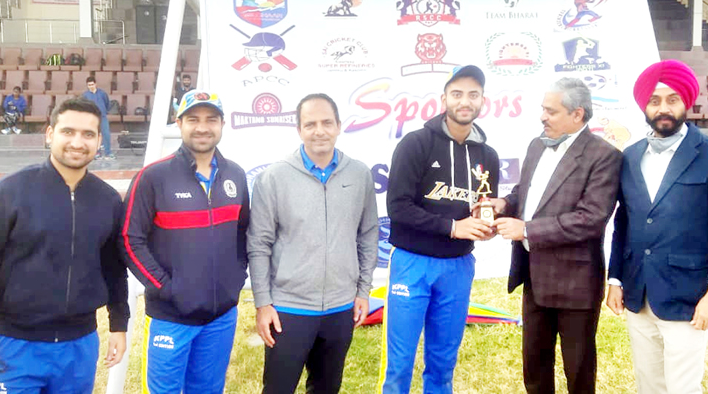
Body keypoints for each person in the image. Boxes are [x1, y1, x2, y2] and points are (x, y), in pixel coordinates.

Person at [0, 97, 129, 392]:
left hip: (79, 346)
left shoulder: (108, 200)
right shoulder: (10, 190)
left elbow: (114, 268)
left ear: (99, 140)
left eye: (88, 134)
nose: (77, 142)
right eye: (68, 131)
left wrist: (118, 325)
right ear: (50, 134)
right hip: (14, 344)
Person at [607, 59, 708, 394]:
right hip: (638, 293)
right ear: (644, 106)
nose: (663, 108)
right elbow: (624, 221)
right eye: (654, 100)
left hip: (689, 297)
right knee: (648, 386)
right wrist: (615, 279)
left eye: (672, 99)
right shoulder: (630, 157)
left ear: (687, 101)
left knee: (683, 388)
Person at [490, 77, 622, 394]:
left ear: (577, 114)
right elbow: (528, 192)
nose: (542, 117)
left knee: (578, 371)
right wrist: (505, 203)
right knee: (534, 368)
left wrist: (526, 230)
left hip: (576, 283)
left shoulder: (604, 156)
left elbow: (590, 219)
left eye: (551, 111)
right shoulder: (537, 145)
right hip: (534, 277)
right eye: (543, 109)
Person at [247, 93, 379, 394]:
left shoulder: (359, 174)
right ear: (299, 130)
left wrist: (362, 291)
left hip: (340, 307)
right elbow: (259, 244)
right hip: (288, 308)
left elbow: (368, 233)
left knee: (326, 388)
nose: (319, 131)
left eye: (326, 123)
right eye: (310, 124)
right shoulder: (274, 177)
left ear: (339, 126)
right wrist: (263, 303)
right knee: (278, 389)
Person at [380, 65, 500, 394]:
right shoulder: (416, 144)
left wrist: (485, 227)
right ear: (444, 99)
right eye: (457, 94)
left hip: (458, 266)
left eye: (473, 94)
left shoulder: (487, 155)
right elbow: (398, 208)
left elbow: (481, 207)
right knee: (399, 362)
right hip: (412, 262)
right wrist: (453, 227)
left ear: (482, 101)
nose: (465, 101)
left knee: (443, 361)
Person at [120, 90, 249, 394]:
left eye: (211, 119)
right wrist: (166, 288)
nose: (202, 127)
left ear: (222, 124)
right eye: (193, 119)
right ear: (178, 124)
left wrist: (235, 278)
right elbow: (129, 239)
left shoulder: (235, 174)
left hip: (221, 317)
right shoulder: (153, 177)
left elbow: (243, 233)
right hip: (170, 317)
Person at [82, 76, 114, 160]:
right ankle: (97, 152)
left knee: (106, 134)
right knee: (94, 135)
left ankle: (108, 153)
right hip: (92, 118)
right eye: (89, 85)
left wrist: (104, 111)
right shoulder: (85, 95)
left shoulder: (102, 93)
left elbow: (107, 103)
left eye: (92, 84)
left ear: (95, 84)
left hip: (102, 116)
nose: (91, 86)